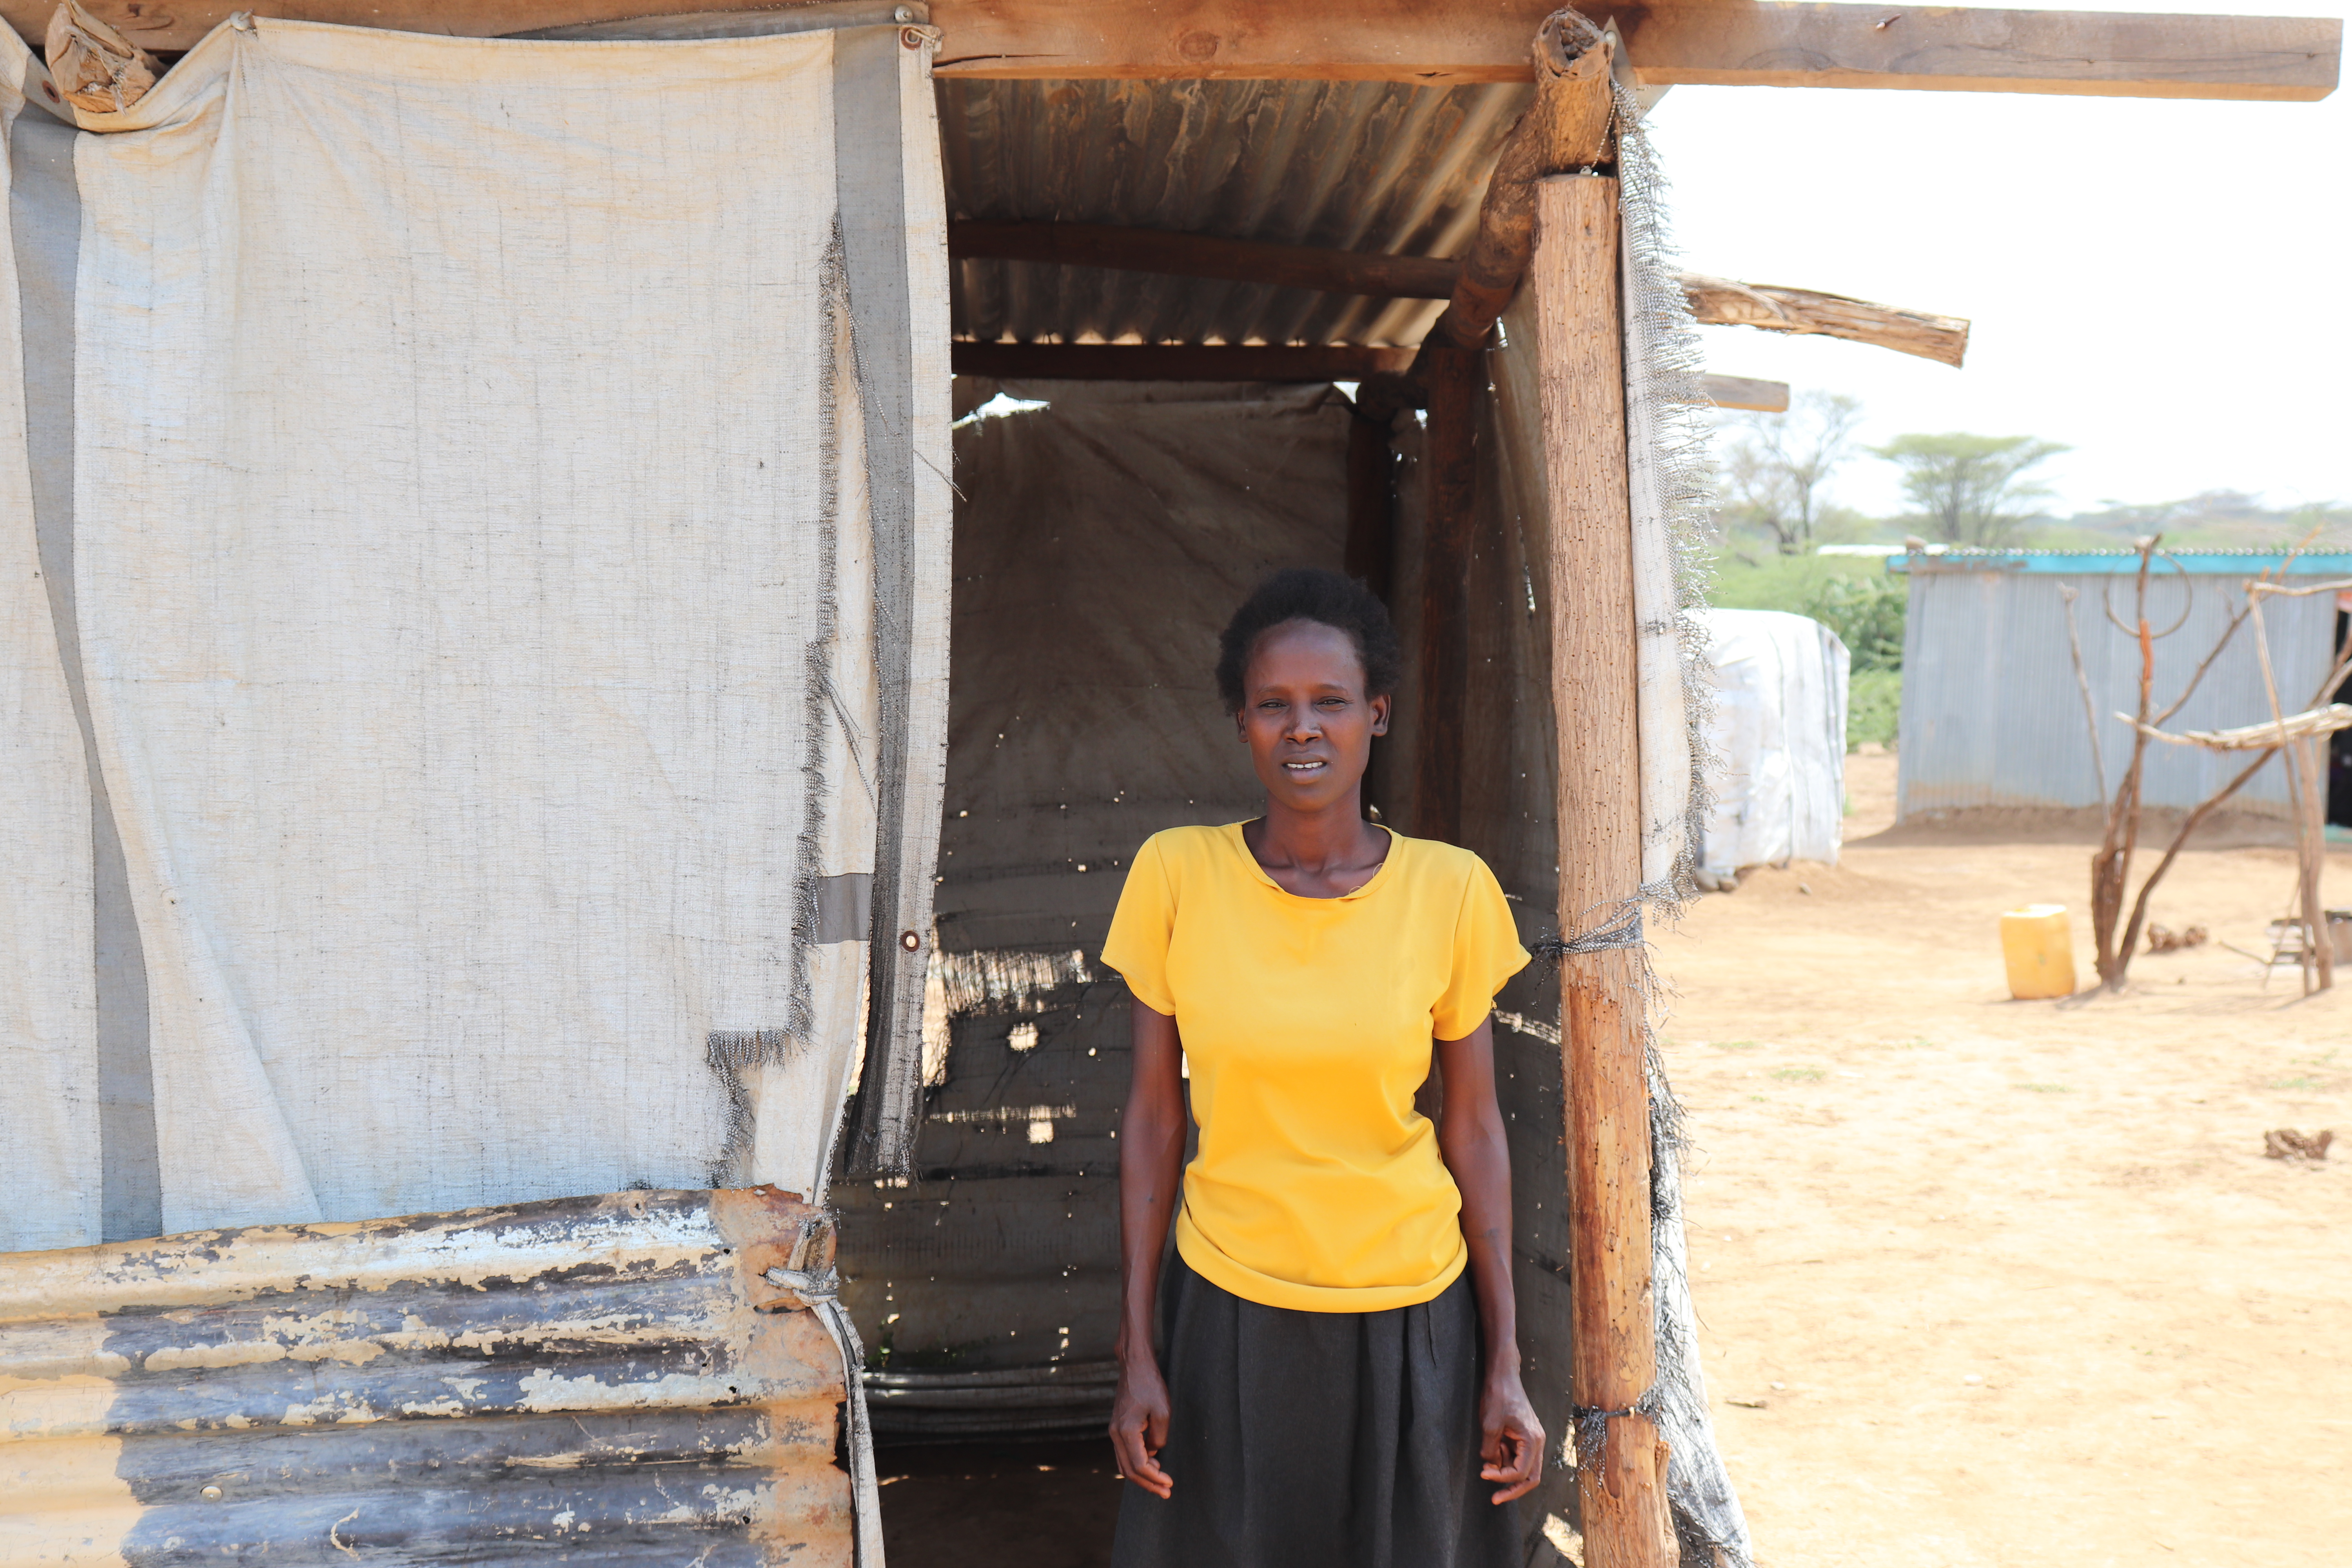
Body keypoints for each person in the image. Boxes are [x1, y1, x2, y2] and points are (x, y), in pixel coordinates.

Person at [1100, 568, 1544, 1568]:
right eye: (1275, 705)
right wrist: (1140, 1346)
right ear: (1243, 723)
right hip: (1227, 1307)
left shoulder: (1451, 888)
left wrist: (1505, 1358)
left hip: (1412, 1307)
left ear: (1376, 715)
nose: (1304, 729)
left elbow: (1474, 1127)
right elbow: (1154, 1121)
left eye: (1332, 703)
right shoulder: (1177, 875)